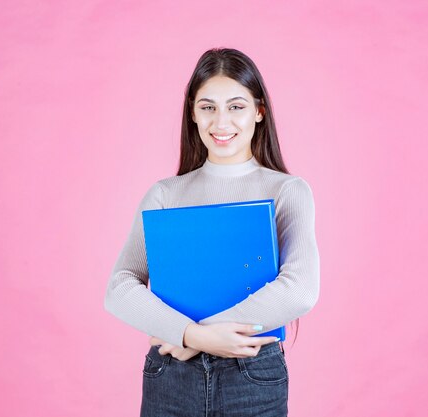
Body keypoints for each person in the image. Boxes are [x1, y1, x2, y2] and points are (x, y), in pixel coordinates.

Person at [104, 47, 320, 417]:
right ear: (192, 113)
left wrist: (195, 334)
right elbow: (120, 287)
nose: (221, 122)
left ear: (258, 111)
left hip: (250, 373)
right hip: (171, 373)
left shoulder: (287, 191)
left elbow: (300, 289)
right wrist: (193, 337)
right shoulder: (165, 194)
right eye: (208, 107)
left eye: (236, 106)